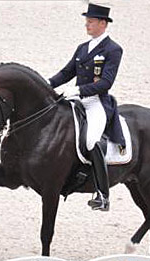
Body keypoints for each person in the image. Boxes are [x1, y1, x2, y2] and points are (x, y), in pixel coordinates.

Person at [48, 3, 125, 212]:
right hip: (77, 100)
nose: (87, 25)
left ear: (103, 23)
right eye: (86, 22)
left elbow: (106, 83)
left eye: (90, 22)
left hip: (96, 102)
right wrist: (46, 84)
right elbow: (66, 73)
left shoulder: (113, 49)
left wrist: (79, 90)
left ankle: (102, 194)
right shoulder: (83, 48)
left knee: (91, 141)